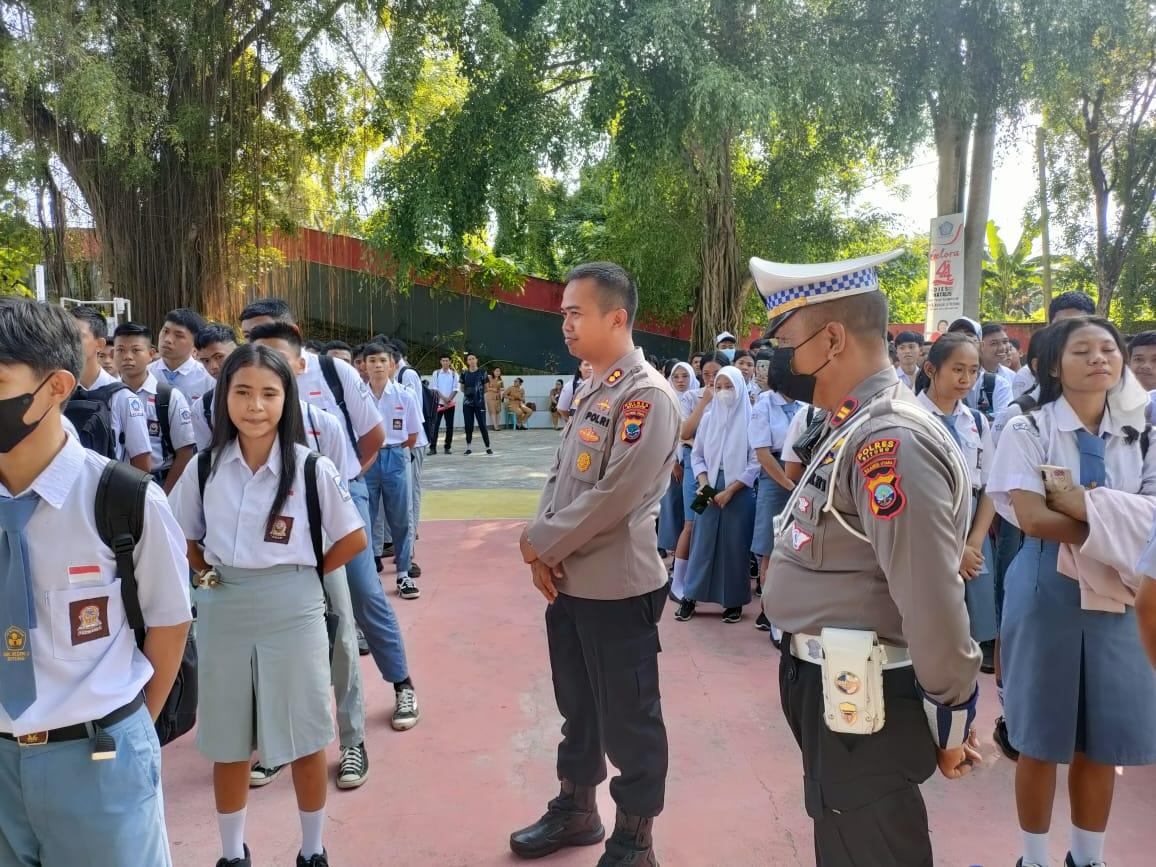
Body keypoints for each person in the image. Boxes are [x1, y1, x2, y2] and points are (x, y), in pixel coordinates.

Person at [752, 250, 982, 866]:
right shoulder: (849, 424)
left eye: (789, 342)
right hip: (837, 690)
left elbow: (932, 599)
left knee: (871, 850)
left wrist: (953, 720)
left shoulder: (889, 441)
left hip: (867, 701)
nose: (781, 361)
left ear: (832, 339)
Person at [0, 298, 191, 866]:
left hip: (97, 759)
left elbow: (169, 622)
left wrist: (129, 731)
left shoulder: (122, 500)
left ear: (56, 387)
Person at [511, 262, 680, 867]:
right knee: (576, 706)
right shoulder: (594, 386)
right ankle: (576, 808)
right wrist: (540, 543)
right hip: (570, 583)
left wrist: (541, 545)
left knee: (631, 719)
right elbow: (561, 478)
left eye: (575, 312)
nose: (565, 323)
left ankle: (635, 837)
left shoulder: (646, 397)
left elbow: (616, 495)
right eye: (563, 312)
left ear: (617, 318)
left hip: (617, 587)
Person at [171, 345, 365, 867]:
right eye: (242, 392)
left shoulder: (309, 468)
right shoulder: (205, 467)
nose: (254, 406)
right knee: (228, 738)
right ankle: (233, 854)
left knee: (305, 735)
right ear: (223, 397)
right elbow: (181, 532)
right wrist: (203, 571)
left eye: (268, 394)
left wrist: (302, 573)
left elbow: (352, 538)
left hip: (294, 607)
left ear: (287, 399)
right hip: (224, 608)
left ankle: (312, 849)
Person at [987, 316, 1156, 867]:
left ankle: (1088, 858)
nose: (1101, 358)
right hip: (1046, 586)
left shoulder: (1145, 431)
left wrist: (1086, 506)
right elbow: (1033, 518)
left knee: (1102, 739)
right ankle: (1032, 859)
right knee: (1039, 734)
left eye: (1110, 348)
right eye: (1084, 350)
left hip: (1118, 593)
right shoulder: (1026, 427)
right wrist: (1118, 525)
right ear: (1053, 364)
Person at [238, 300, 420, 738]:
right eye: (249, 337)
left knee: (362, 590)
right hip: (277, 507)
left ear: (295, 341)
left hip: (341, 494)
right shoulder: (244, 386)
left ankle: (401, 683)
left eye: (268, 336)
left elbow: (374, 433)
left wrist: (345, 478)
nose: (258, 349)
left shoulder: (333, 374)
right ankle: (285, 720)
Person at [247, 324, 374, 789]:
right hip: (261, 562)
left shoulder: (323, 423)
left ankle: (353, 743)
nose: (268, 372)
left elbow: (342, 500)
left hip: (320, 555)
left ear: (300, 366)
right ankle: (278, 744)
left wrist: (320, 561)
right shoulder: (237, 425)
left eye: (278, 360)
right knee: (270, 651)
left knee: (339, 643)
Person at [913, 333, 998, 671]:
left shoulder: (976, 421)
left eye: (974, 371)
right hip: (926, 532)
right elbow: (912, 497)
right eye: (958, 370)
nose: (966, 380)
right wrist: (954, 548)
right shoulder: (908, 418)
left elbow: (990, 486)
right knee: (929, 624)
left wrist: (974, 541)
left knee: (971, 628)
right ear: (932, 369)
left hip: (972, 535)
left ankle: (962, 710)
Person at [676, 366, 759, 624]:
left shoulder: (751, 419)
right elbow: (698, 454)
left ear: (740, 388)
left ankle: (732, 601)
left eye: (729, 387)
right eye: (719, 387)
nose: (723, 392)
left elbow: (756, 462)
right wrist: (703, 482)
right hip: (706, 487)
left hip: (739, 490)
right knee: (700, 540)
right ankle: (690, 596)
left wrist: (731, 490)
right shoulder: (709, 418)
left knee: (735, 545)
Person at [364, 343, 423, 600]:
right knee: (365, 516)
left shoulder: (404, 395)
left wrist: (394, 452)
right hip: (367, 459)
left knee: (400, 516)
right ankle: (367, 575)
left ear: (392, 365)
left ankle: (403, 573)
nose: (377, 365)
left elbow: (412, 435)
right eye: (372, 360)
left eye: (382, 361)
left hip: (396, 456)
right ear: (364, 365)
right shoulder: (357, 397)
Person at [669, 352, 728, 603]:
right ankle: (678, 582)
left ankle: (710, 583)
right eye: (706, 375)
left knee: (721, 526)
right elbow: (684, 431)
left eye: (716, 374)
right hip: (698, 469)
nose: (712, 379)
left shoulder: (736, 396)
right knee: (693, 522)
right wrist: (705, 401)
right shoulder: (693, 396)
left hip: (726, 470)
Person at [112, 322, 197, 492]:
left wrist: (166, 493)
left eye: (136, 350)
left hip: (159, 481)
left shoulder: (169, 397)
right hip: (116, 482)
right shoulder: (109, 395)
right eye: (120, 350)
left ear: (151, 354)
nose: (127, 356)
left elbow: (185, 451)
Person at [69, 306, 153, 472]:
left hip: (107, 490)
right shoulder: (58, 390)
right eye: (64, 335)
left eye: (78, 336)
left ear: (99, 344)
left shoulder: (122, 397)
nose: (69, 342)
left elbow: (141, 461)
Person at [748, 386, 800, 598]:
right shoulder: (764, 404)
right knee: (770, 543)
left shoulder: (806, 403)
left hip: (802, 470)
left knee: (799, 541)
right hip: (775, 473)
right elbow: (762, 453)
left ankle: (791, 601)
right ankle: (768, 607)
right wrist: (788, 484)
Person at [658, 363, 695, 560]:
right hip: (671, 464)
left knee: (692, 511)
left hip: (694, 465)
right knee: (672, 507)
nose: (681, 381)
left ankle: (687, 552)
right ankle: (673, 551)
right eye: (676, 377)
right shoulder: (666, 402)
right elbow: (662, 436)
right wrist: (674, 464)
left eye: (685, 376)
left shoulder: (697, 401)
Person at [148, 308, 213, 405]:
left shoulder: (207, 379)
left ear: (195, 343)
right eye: (165, 331)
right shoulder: (145, 374)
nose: (168, 340)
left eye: (178, 335)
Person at [460, 353, 493, 455]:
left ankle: (488, 447)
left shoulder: (482, 372)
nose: (472, 361)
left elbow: (487, 388)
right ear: (467, 362)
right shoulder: (464, 373)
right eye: (469, 359)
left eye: (473, 358)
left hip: (479, 403)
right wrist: (469, 393)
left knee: (482, 425)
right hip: (467, 404)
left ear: (476, 360)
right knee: (468, 425)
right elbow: (462, 388)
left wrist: (477, 394)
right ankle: (468, 447)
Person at [430, 353, 459, 454]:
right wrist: (444, 399)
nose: (445, 362)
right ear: (440, 362)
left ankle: (447, 447)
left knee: (449, 426)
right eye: (443, 360)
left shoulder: (454, 374)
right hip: (438, 404)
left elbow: (456, 389)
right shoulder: (436, 373)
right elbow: (435, 388)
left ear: (450, 362)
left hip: (450, 405)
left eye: (447, 360)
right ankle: (432, 448)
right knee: (435, 426)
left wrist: (448, 400)